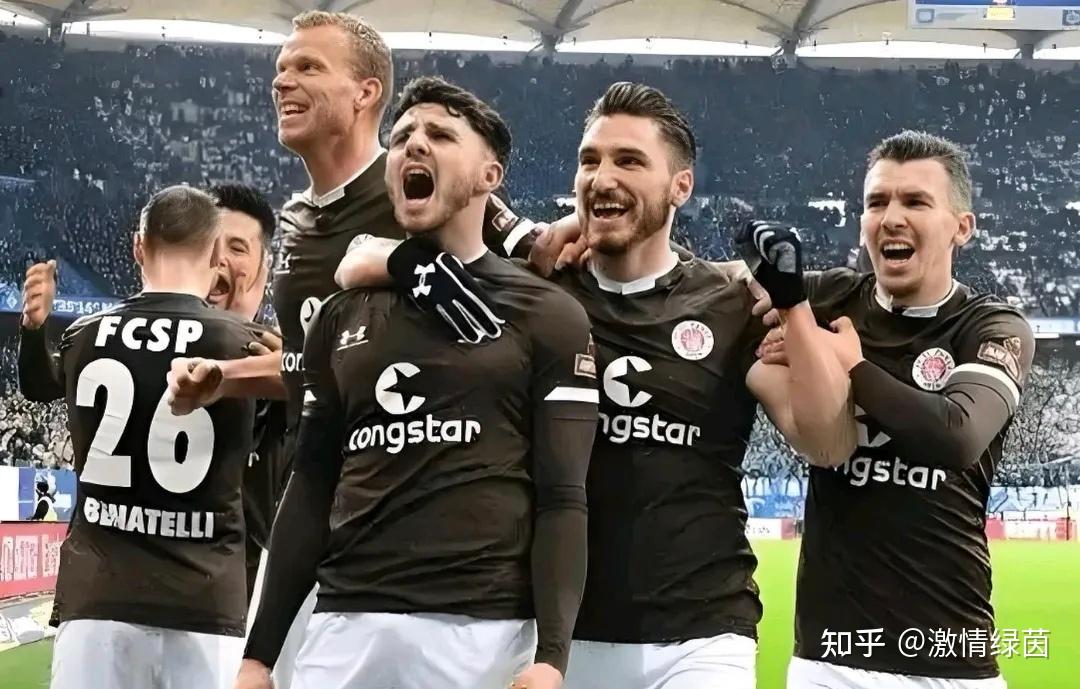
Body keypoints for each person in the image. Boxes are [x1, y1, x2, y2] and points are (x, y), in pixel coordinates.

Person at [336, 81, 854, 689]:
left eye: (629, 161)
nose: (602, 178)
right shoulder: (536, 293)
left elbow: (826, 443)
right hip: (557, 637)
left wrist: (794, 310)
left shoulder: (730, 303)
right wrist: (403, 261)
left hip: (702, 633)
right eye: (590, 161)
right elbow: (361, 252)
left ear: (680, 186)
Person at [236, 76, 597, 689]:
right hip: (343, 628)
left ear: (489, 176)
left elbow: (563, 496)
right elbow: (311, 484)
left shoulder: (547, 313)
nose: (414, 145)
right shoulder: (340, 315)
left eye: (441, 135)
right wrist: (259, 655)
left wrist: (552, 657)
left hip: (481, 637)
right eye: (401, 136)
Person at [745, 131, 1034, 689]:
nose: (891, 218)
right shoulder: (829, 298)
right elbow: (707, 283)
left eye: (915, 202)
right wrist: (578, 231)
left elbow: (956, 436)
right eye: (876, 202)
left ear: (961, 227)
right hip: (829, 661)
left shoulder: (991, 326)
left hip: (951, 661)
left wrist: (851, 364)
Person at [18, 182, 285, 605]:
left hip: (239, 599)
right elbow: (41, 385)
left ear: (262, 268)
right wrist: (34, 332)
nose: (219, 259)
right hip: (151, 594)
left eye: (236, 247)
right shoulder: (135, 342)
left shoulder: (280, 363)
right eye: (211, 242)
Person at [47, 186, 263, 689]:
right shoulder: (245, 346)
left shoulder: (83, 335)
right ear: (216, 255)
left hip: (98, 599)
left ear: (138, 247)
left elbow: (41, 383)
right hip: (206, 603)